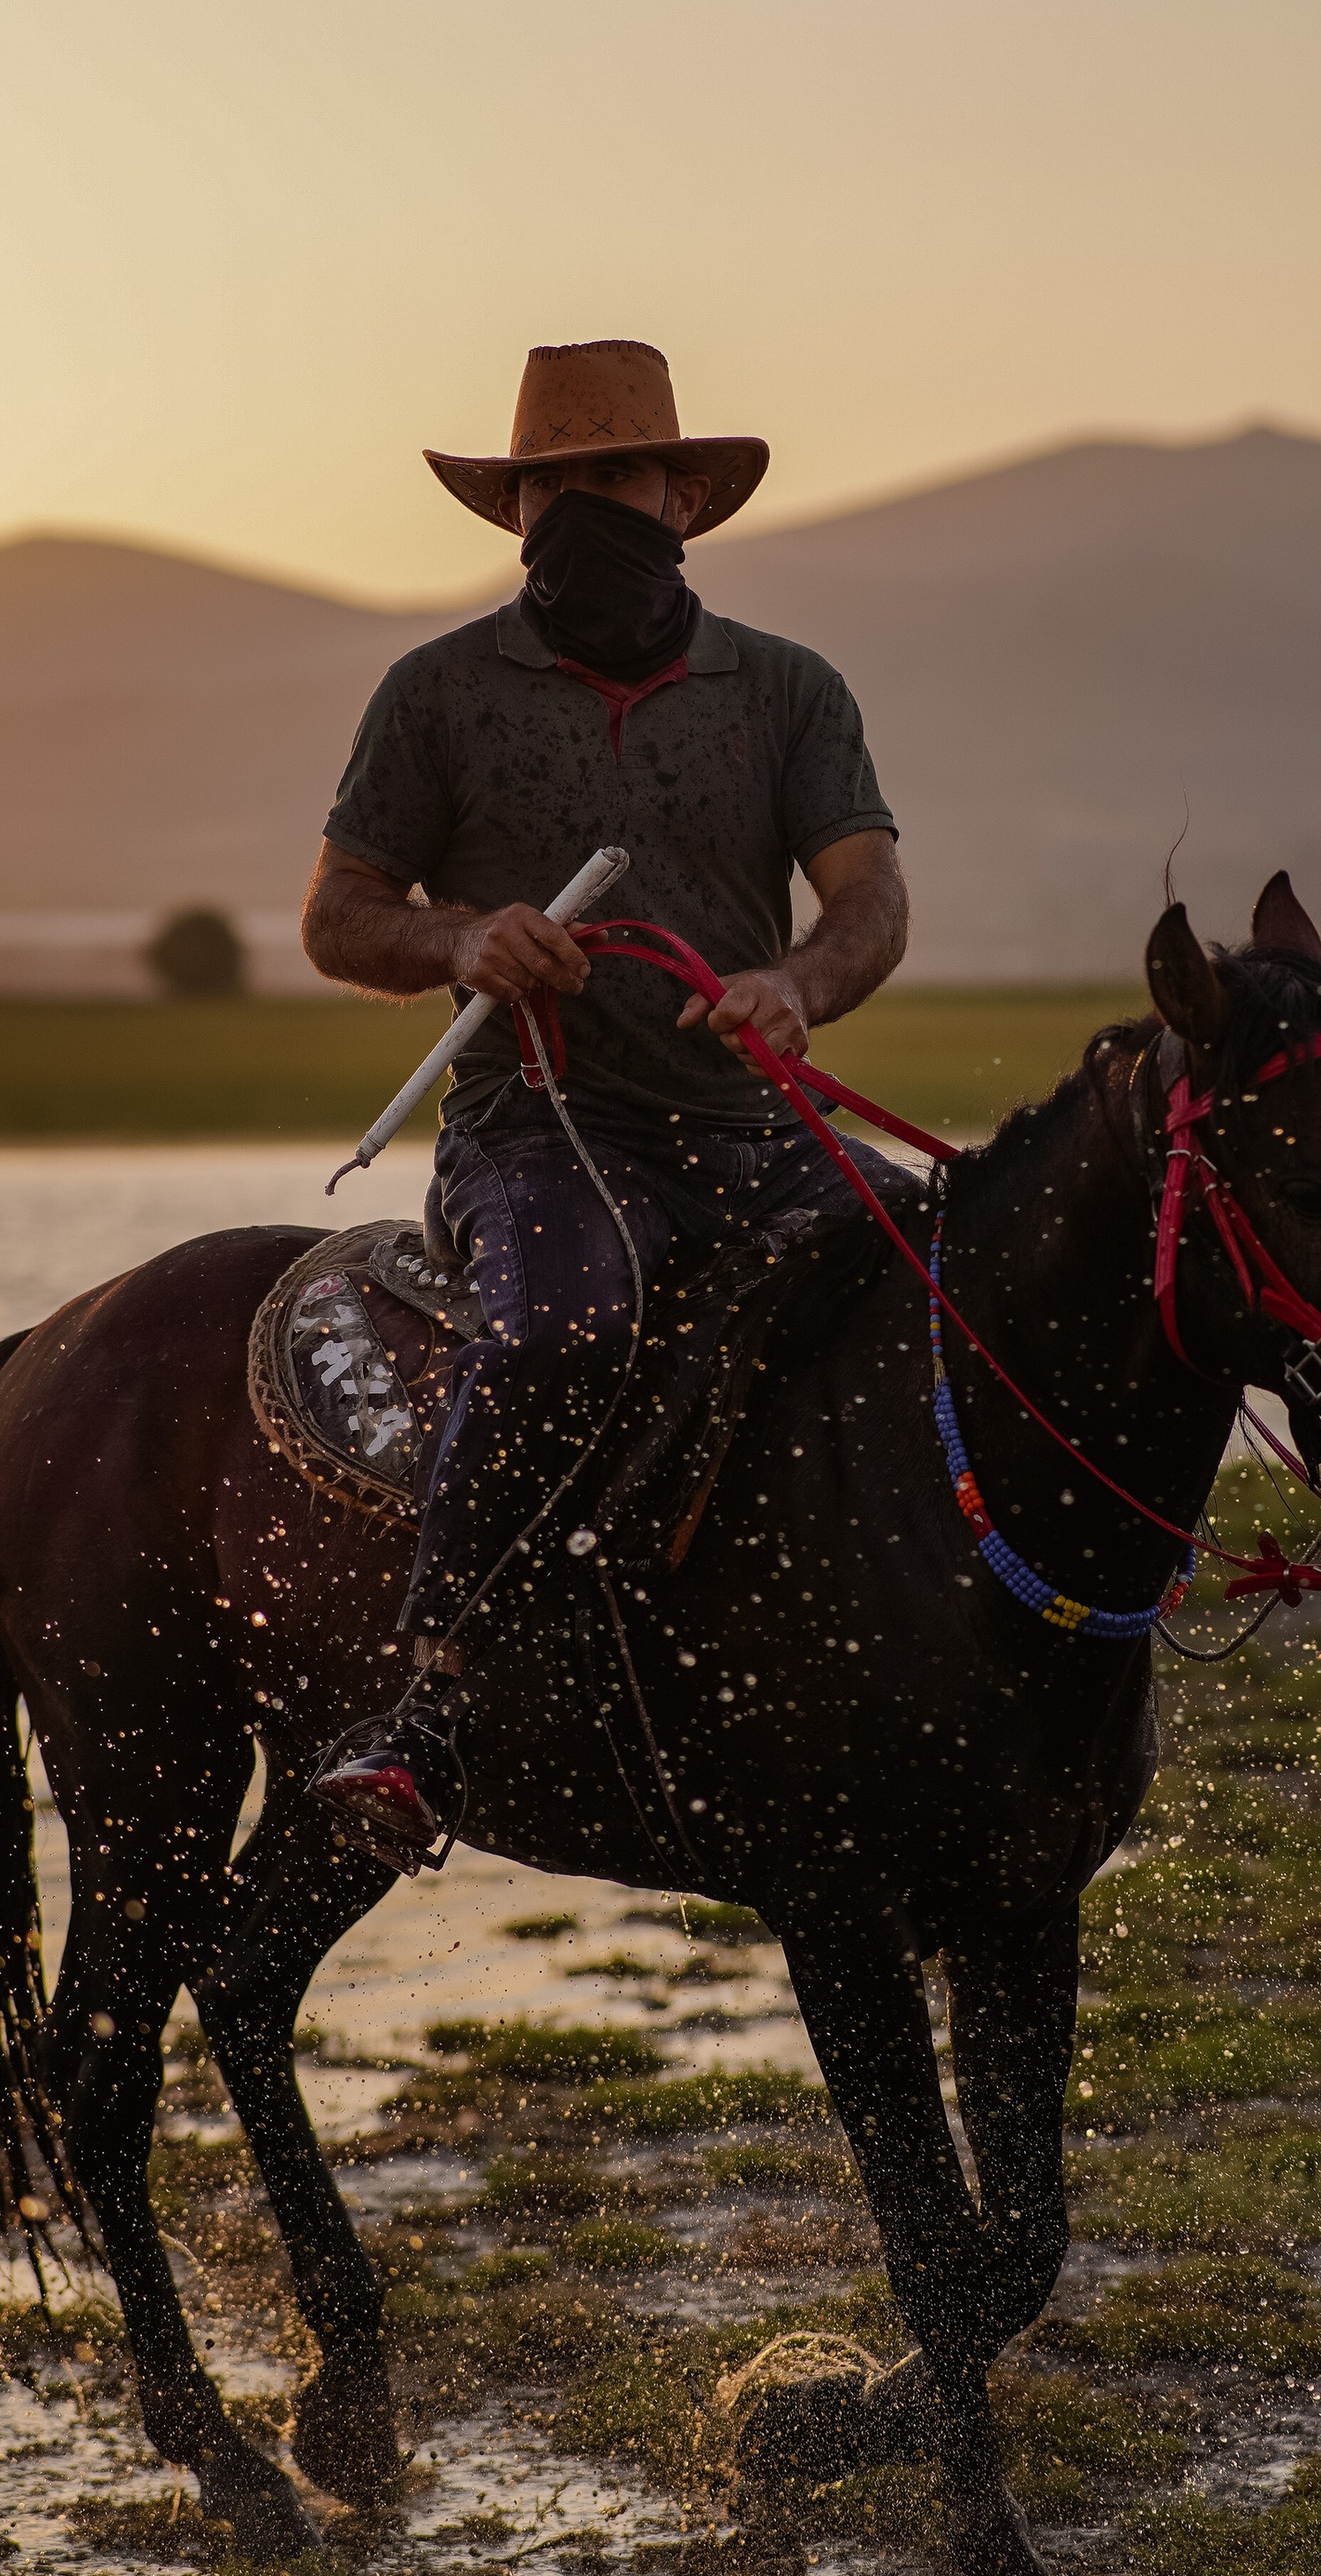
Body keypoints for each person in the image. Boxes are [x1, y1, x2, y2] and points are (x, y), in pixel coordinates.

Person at [298, 337, 911, 1870]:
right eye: (549, 485)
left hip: (757, 1126)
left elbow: (870, 899)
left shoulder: (787, 689)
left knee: (935, 1279)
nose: (578, 508)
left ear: (682, 497)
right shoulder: (435, 692)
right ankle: (431, 1702)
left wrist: (798, 985)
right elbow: (337, 916)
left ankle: (972, 1642)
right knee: (569, 1322)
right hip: (534, 1128)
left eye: (615, 475)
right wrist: (458, 940)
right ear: (515, 511)